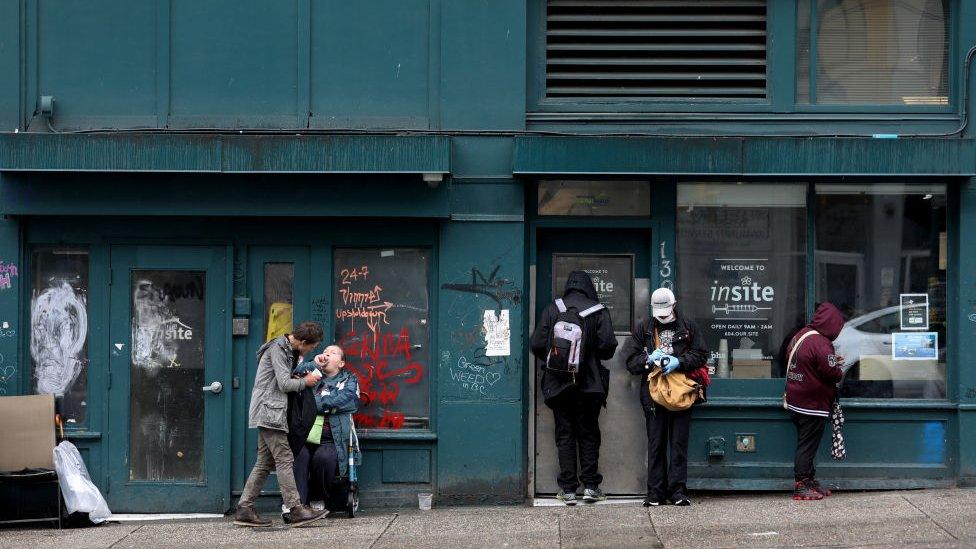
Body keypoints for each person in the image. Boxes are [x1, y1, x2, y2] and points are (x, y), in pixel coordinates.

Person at [531, 270, 617, 505]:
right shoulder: (597, 310)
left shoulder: (553, 309)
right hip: (589, 385)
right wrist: (586, 354)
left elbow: (537, 343)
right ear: (589, 287)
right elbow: (608, 347)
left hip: (558, 385)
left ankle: (568, 490)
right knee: (589, 433)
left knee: (565, 434)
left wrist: (558, 360)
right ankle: (590, 487)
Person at [234, 322, 330, 528]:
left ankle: (244, 508)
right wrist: (307, 382)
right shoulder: (278, 348)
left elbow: (286, 377)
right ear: (303, 342)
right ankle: (295, 509)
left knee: (264, 463)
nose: (311, 350)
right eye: (312, 347)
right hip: (270, 412)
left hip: (271, 411)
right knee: (285, 458)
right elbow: (284, 384)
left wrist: (309, 369)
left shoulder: (288, 348)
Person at [623, 287, 708, 507]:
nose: (662, 315)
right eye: (658, 311)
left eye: (665, 310)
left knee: (679, 443)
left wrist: (679, 362)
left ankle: (677, 491)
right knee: (656, 444)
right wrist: (649, 359)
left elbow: (701, 354)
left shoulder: (688, 326)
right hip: (653, 395)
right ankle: (655, 493)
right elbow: (630, 362)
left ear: (674, 304)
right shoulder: (644, 328)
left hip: (682, 392)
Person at [784, 302, 845, 501]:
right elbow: (831, 372)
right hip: (811, 405)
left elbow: (796, 359)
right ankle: (802, 484)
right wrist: (838, 368)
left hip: (796, 399)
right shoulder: (821, 343)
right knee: (807, 446)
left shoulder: (800, 335)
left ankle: (809, 480)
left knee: (806, 443)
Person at [289, 345, 362, 511]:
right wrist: (314, 364)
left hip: (331, 436)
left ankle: (317, 497)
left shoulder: (349, 379)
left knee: (324, 459)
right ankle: (297, 505)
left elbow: (349, 401)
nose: (327, 354)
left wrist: (311, 405)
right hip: (304, 434)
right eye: (325, 351)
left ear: (341, 363)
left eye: (333, 352)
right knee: (298, 458)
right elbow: (293, 376)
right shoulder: (311, 373)